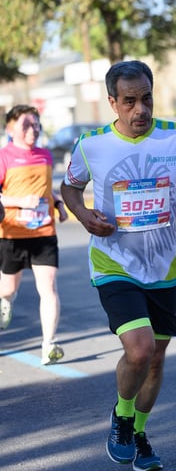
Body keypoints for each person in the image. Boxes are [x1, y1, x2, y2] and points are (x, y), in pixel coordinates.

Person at [60, 60, 176, 471]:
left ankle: (139, 431)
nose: (140, 109)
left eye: (146, 99)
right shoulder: (92, 144)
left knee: (157, 358)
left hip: (164, 266)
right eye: (129, 101)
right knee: (140, 349)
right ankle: (122, 416)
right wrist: (83, 214)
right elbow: (69, 187)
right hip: (114, 262)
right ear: (113, 102)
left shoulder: (175, 137)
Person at [0, 105, 68, 364]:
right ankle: (5, 300)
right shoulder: (4, 157)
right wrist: (19, 201)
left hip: (43, 232)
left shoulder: (45, 155)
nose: (34, 129)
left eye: (37, 124)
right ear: (11, 128)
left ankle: (49, 344)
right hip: (12, 234)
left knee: (49, 287)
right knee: (7, 287)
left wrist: (58, 204)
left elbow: (45, 191)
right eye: (27, 124)